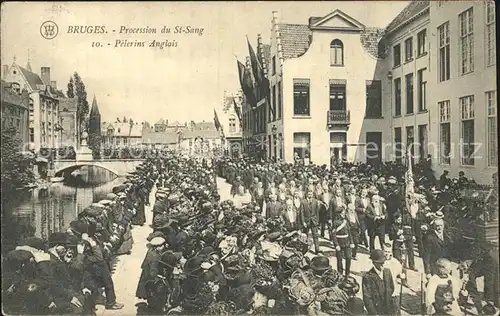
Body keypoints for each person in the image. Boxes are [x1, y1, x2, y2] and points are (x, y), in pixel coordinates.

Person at [362, 249, 395, 315]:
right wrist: (374, 313)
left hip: (388, 308)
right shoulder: (368, 277)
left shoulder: (387, 272)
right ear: (374, 262)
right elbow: (367, 298)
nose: (382, 264)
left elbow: (392, 287)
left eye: (383, 262)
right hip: (376, 310)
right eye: (380, 263)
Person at [330, 208, 354, 276]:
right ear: (339, 214)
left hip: (347, 242)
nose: (344, 215)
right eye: (342, 213)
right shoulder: (335, 222)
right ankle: (340, 273)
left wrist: (351, 242)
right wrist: (336, 245)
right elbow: (333, 234)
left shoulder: (346, 221)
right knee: (339, 259)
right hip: (339, 242)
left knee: (348, 258)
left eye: (344, 213)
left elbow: (349, 232)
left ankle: (347, 273)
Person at [299, 189, 321, 254]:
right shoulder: (303, 202)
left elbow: (317, 212)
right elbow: (301, 213)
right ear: (306, 194)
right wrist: (303, 222)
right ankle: (304, 249)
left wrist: (317, 221)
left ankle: (317, 249)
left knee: (315, 235)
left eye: (311, 194)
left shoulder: (315, 201)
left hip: (314, 221)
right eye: (309, 194)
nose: (310, 195)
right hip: (306, 221)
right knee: (305, 235)